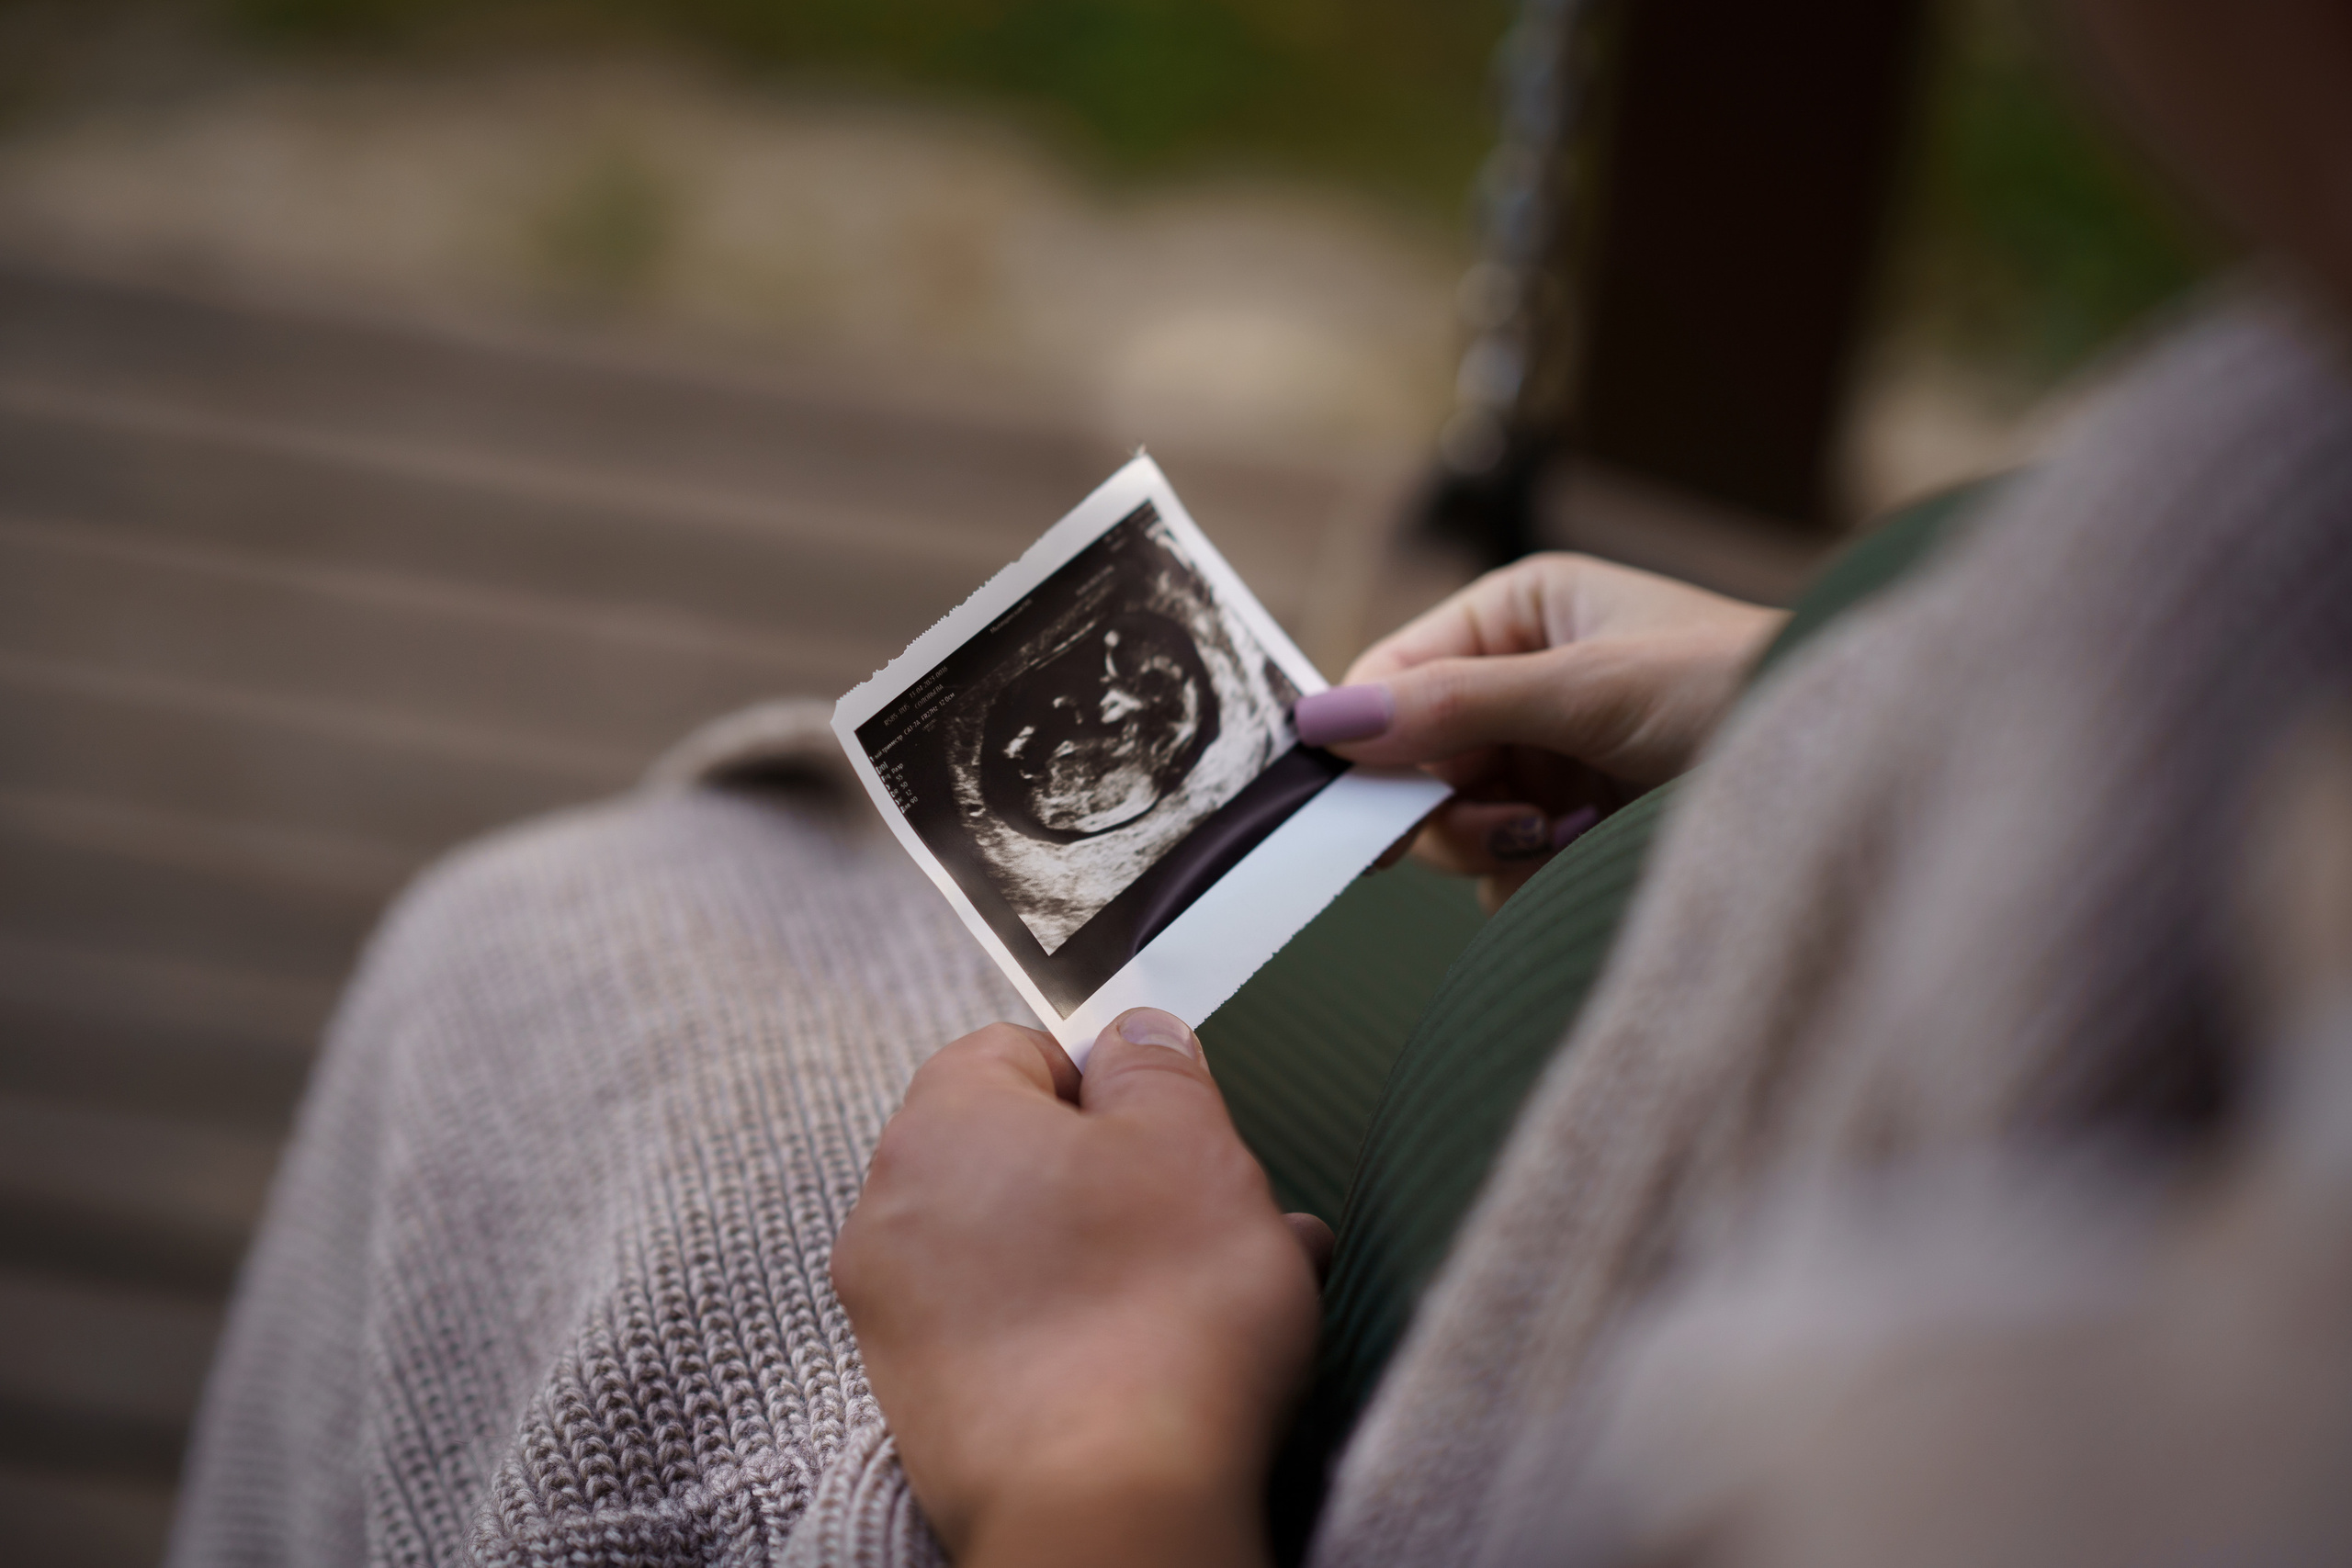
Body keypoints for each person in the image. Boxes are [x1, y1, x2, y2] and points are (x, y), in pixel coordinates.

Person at [166, 1, 2352, 1564]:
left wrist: (1089, 1451)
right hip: (1541, 1044)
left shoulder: (2142, 1408)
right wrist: (1828, 702)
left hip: (1244, 1404)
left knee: (558, 945)